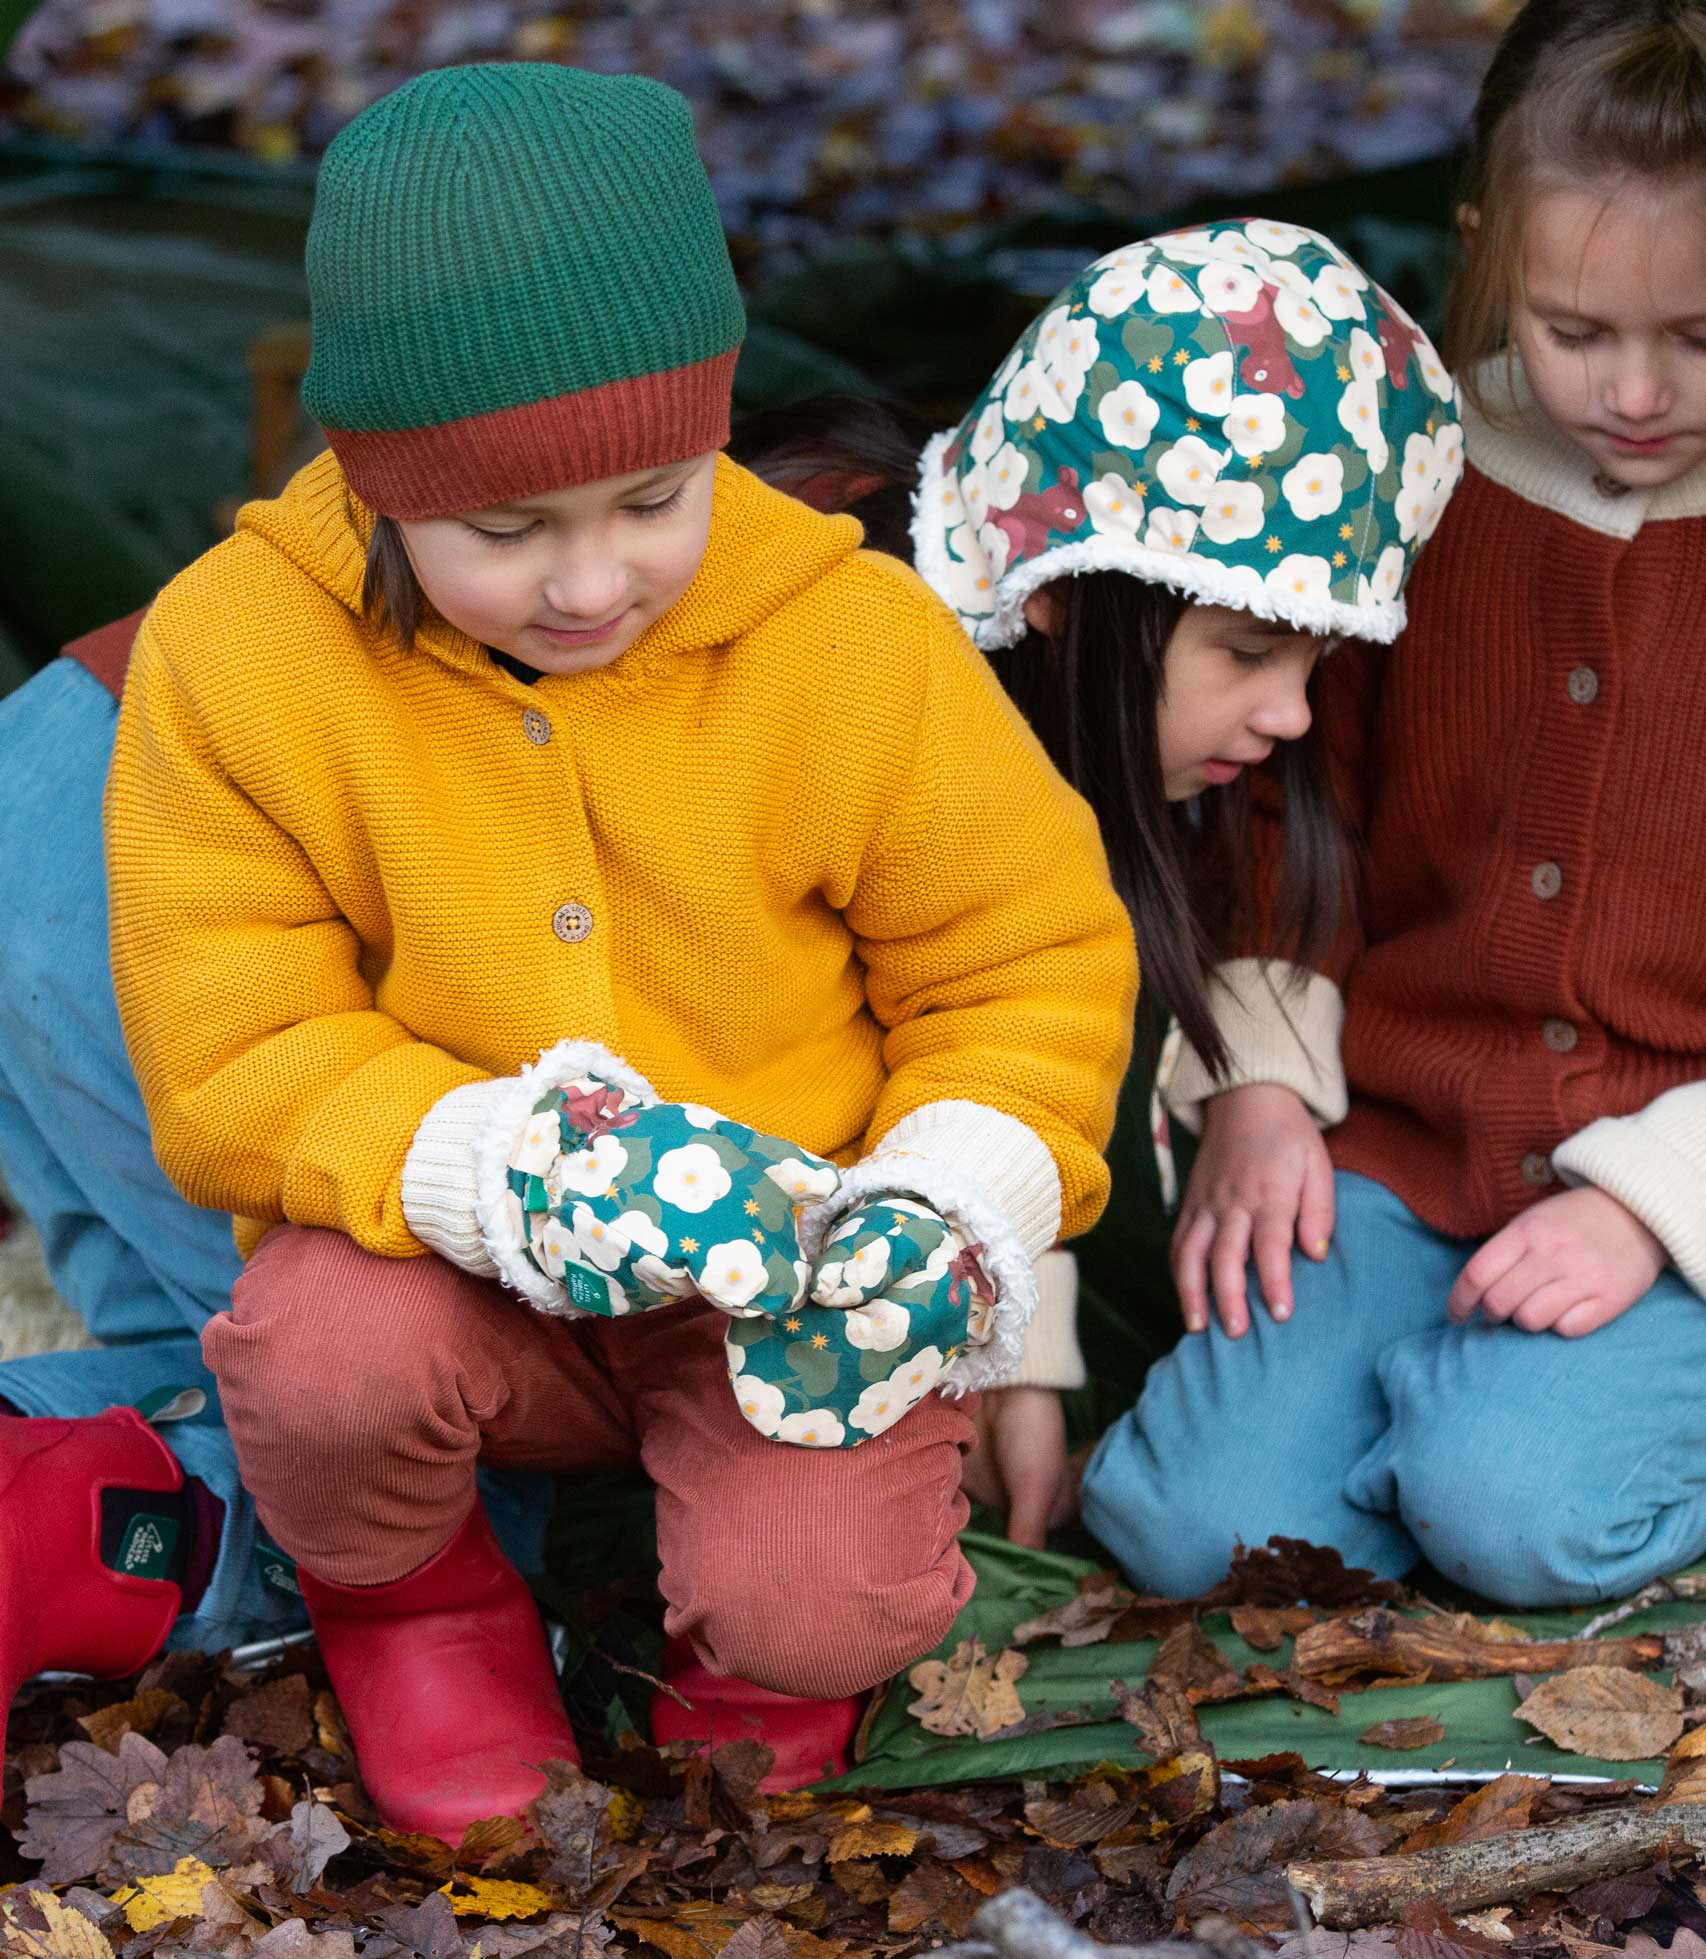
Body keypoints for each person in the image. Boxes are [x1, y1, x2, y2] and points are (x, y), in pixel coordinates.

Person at [89, 61, 1134, 1840]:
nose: (589, 585)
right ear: (376, 484)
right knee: (321, 1362)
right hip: (437, 1260)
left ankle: (754, 1670)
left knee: (824, 1599)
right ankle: (421, 1613)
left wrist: (951, 1187)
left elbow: (1019, 963)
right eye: (504, 534)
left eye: (654, 500)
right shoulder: (240, 654)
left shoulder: (847, 642)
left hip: (788, 1270)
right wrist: (483, 1165)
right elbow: (233, 1034)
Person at [1082, 0, 1706, 1608]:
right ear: (1486, 253)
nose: (1631, 393)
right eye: (1573, 331)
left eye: (1697, 338)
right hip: (1400, 1147)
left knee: (1512, 1514)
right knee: (1188, 1524)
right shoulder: (1411, 483)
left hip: (1678, 1196)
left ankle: (1504, 1437)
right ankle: (1439, 1419)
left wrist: (1648, 1210)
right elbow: (1288, 818)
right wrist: (1261, 1088)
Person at [735, 218, 1462, 1548]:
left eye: (1312, 667)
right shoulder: (844, 692)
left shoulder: (1134, 734)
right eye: (1247, 654)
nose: (1289, 718)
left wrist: (1038, 1331)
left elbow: (1038, 1062)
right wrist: (999, 1346)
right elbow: (858, 1065)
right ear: (1068, 595)